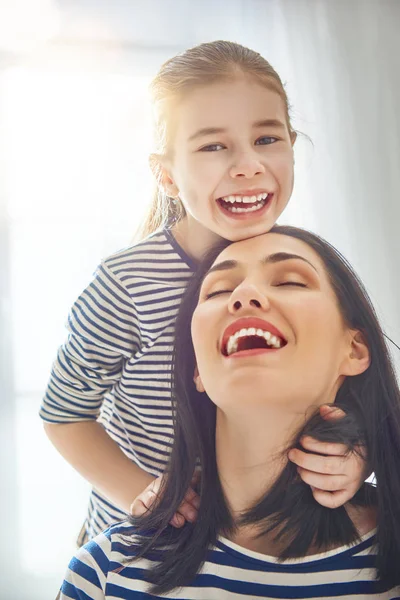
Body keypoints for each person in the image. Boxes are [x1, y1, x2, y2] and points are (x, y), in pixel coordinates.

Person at [40, 41, 366, 544]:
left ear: (292, 148)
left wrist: (356, 456)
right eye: (214, 146)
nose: (247, 165)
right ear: (167, 175)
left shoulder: (305, 270)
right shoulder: (126, 284)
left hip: (253, 539)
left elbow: (350, 394)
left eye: (266, 139)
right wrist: (146, 493)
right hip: (144, 543)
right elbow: (64, 416)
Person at [59, 226, 400, 599]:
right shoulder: (105, 573)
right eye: (219, 289)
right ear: (198, 371)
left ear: (354, 350)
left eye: (289, 282)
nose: (243, 295)